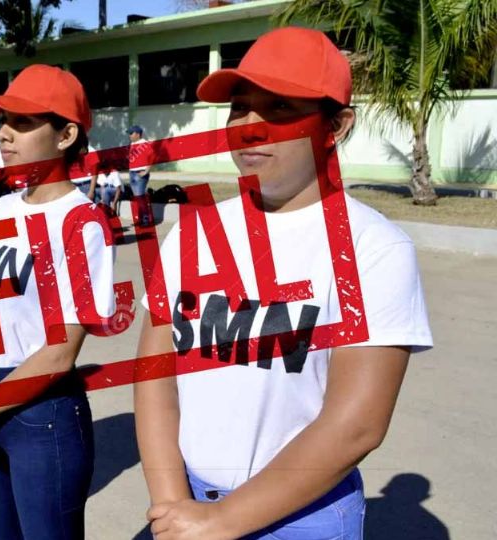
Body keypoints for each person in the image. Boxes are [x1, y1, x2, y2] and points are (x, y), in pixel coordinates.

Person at [134, 27, 434, 540]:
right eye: (240, 107)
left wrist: (224, 521)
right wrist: (173, 505)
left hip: (301, 518)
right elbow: (155, 377)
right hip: (188, 503)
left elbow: (356, 424)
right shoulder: (193, 231)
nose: (250, 127)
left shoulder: (373, 249)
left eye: (278, 109)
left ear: (334, 125)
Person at [0, 64, 116, 539]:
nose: (3, 133)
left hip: (44, 416)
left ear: (66, 135)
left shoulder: (83, 223)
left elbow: (61, 352)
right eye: (4, 119)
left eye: (23, 122)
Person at [126, 125, 152, 225]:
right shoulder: (133, 144)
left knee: (140, 196)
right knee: (137, 197)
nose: (129, 135)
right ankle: (141, 218)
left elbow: (152, 157)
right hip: (132, 172)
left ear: (137, 134)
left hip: (140, 173)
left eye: (131, 133)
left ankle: (145, 219)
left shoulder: (145, 144)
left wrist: (146, 171)